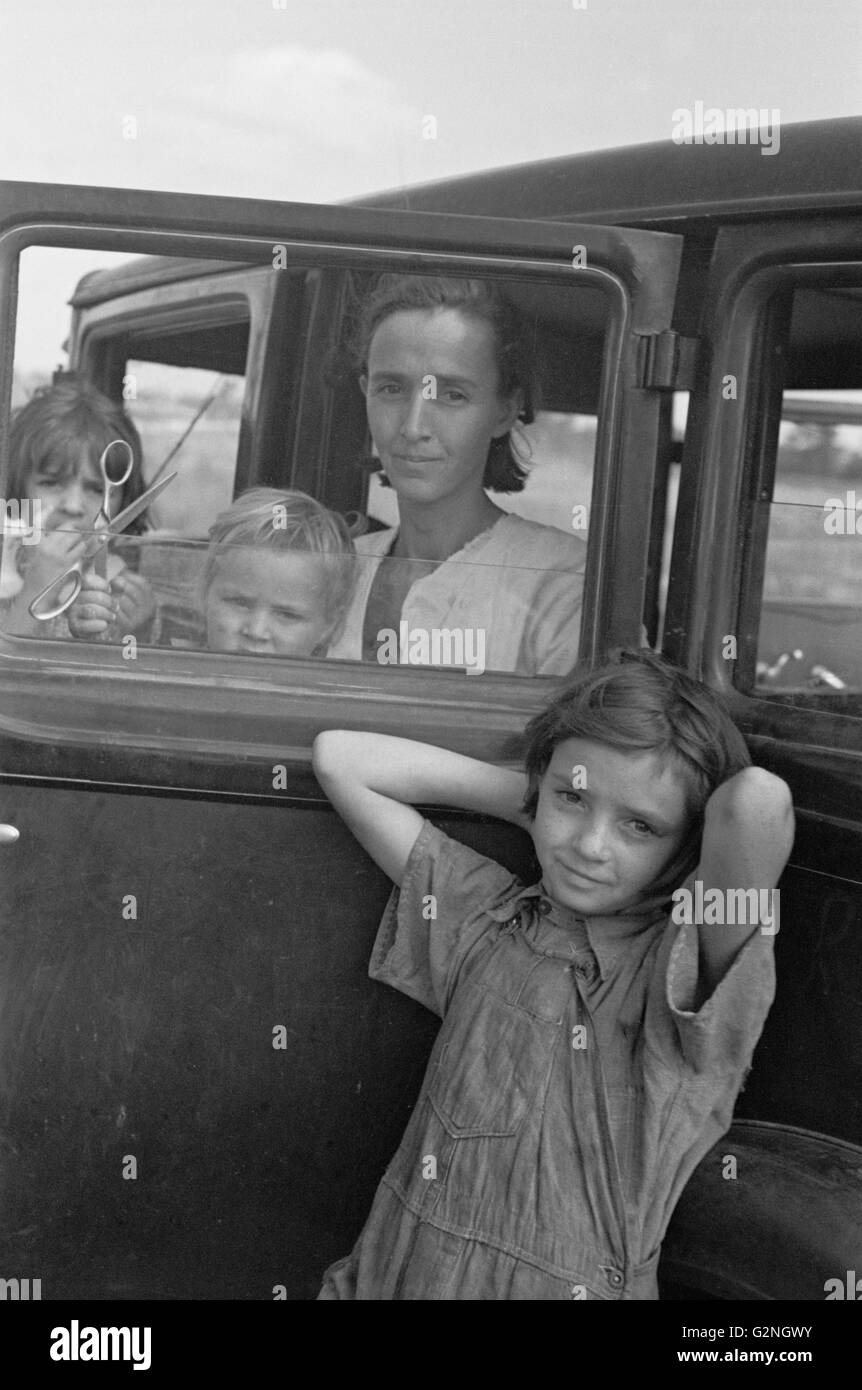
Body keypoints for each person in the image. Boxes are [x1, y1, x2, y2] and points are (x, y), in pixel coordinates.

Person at [311, 649, 794, 1300]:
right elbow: (341, 759)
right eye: (574, 799)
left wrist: (576, 801)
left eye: (639, 826)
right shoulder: (484, 917)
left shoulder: (682, 976)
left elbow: (757, 805)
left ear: (684, 845)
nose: (592, 845)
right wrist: (538, 800)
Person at [326, 274, 586, 677]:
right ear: (365, 392)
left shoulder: (563, 584)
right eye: (391, 389)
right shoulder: (334, 569)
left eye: (452, 395)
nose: (413, 427)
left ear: (504, 410)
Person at [68, 487, 355, 659]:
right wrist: (93, 638)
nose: (255, 631)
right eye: (239, 602)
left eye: (287, 615)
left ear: (331, 627)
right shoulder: (176, 669)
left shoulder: (332, 709)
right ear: (205, 593)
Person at [0, 378, 156, 640]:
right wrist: (39, 588)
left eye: (97, 489)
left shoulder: (120, 590)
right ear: (16, 488)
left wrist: (140, 630)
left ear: (123, 503)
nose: (73, 506)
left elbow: (128, 671)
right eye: (51, 482)